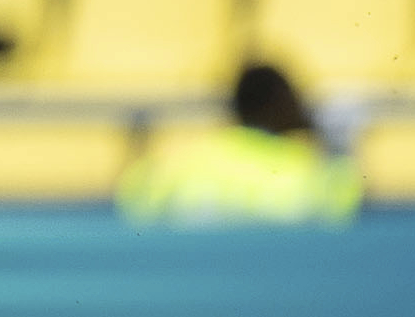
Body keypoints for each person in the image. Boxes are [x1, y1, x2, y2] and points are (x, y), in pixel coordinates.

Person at [116, 59, 361, 221]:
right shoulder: (304, 166)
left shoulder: (193, 160)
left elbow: (136, 201)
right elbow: (343, 212)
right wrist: (331, 143)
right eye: (293, 100)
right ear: (279, 105)